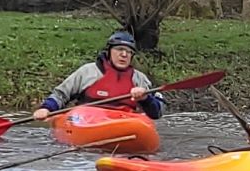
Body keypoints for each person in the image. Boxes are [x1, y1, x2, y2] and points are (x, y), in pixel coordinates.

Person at [39, 30, 167, 118]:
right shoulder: (88, 72)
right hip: (89, 120)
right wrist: (46, 109)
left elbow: (157, 112)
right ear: (109, 52)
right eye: (119, 49)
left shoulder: (139, 79)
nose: (124, 55)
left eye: (129, 52)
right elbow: (61, 95)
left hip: (125, 122)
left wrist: (145, 99)